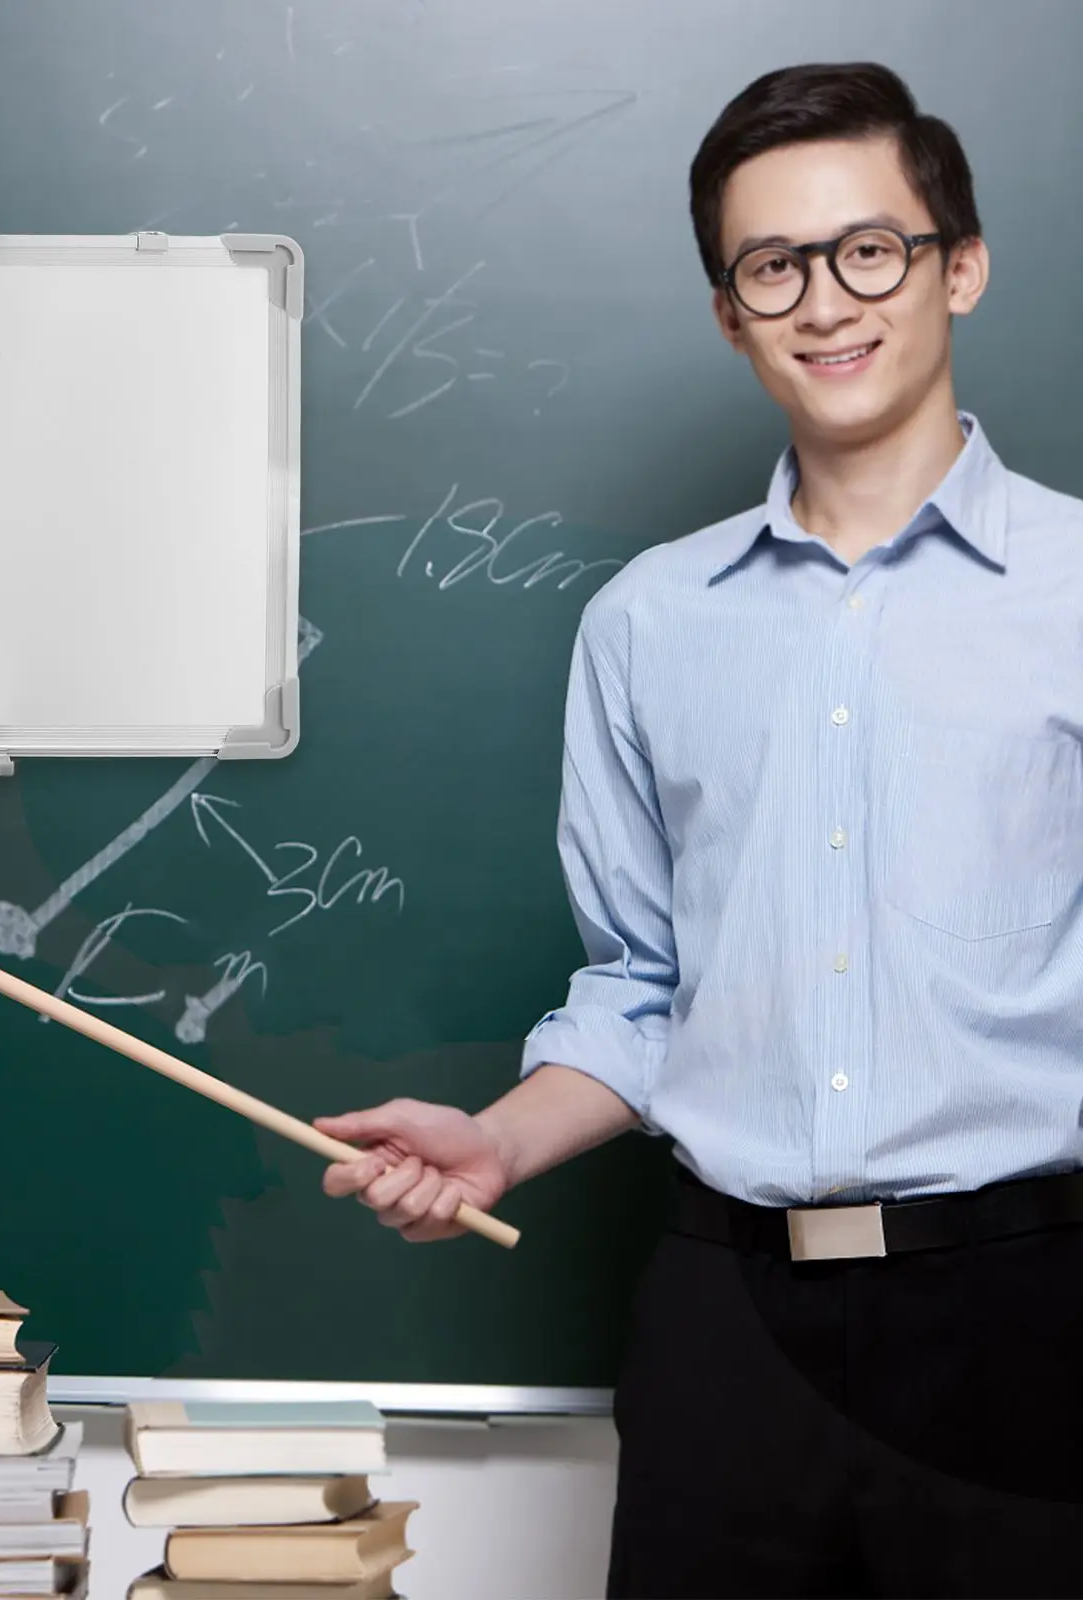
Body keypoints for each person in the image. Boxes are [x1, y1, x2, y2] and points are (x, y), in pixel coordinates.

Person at [315, 61, 1083, 1598]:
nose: (827, 301)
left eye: (872, 249)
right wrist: (498, 1142)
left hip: (1036, 1313)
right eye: (772, 266)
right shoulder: (645, 626)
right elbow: (643, 986)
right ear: (731, 310)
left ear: (962, 265)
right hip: (726, 1325)